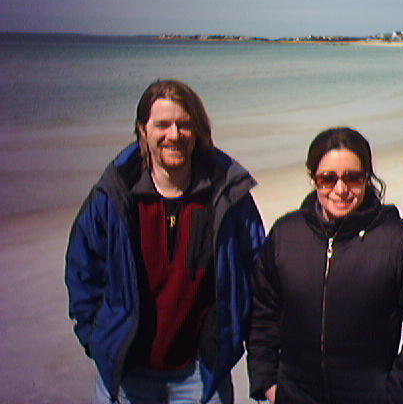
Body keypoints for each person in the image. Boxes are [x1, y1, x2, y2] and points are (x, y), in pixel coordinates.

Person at [65, 79, 265, 404]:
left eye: (184, 124)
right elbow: (82, 272)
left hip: (202, 376)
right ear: (142, 130)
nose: (174, 134)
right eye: (163, 125)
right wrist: (97, 339)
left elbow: (259, 274)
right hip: (127, 376)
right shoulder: (113, 196)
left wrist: (239, 340)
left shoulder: (227, 196)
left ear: (198, 130)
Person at [248, 127, 403, 404]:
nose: (341, 189)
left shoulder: (399, 241)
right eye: (328, 178)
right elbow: (262, 313)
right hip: (294, 395)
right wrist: (268, 383)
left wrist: (393, 396)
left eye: (353, 177)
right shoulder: (286, 234)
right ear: (313, 178)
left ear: (367, 177)